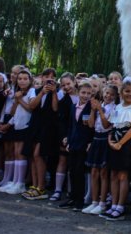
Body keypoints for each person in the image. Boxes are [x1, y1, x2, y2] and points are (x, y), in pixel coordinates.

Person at [103, 79, 131, 221]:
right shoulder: (117, 108)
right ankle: (113, 204)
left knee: (123, 176)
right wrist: (111, 140)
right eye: (127, 91)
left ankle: (120, 206)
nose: (129, 94)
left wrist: (120, 143)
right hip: (114, 143)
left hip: (127, 145)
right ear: (121, 92)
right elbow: (113, 126)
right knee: (113, 174)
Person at [22, 68, 59, 200]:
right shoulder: (35, 90)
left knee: (39, 155)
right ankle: (35, 185)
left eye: (52, 77)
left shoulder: (57, 92)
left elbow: (55, 108)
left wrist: (53, 93)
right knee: (33, 155)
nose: (49, 79)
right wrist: (42, 93)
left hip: (47, 127)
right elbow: (32, 106)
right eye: (47, 76)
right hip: (35, 125)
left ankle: (41, 187)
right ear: (41, 78)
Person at [0, 69, 35, 194]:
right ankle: (14, 181)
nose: (22, 81)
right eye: (20, 79)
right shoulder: (18, 92)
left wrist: (20, 100)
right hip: (17, 125)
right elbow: (13, 112)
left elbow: (31, 108)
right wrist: (16, 100)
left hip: (26, 126)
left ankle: (20, 183)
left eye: (25, 79)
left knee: (21, 154)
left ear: (30, 80)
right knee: (15, 153)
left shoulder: (31, 91)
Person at [82, 85, 117, 215]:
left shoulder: (114, 108)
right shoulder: (98, 105)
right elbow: (91, 124)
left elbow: (106, 124)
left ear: (115, 96)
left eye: (112, 94)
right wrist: (93, 110)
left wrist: (100, 111)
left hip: (105, 139)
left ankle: (102, 203)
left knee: (103, 173)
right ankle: (94, 201)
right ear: (103, 93)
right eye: (107, 93)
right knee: (94, 172)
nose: (108, 96)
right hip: (96, 138)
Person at [59, 81, 94, 211]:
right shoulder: (73, 106)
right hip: (73, 142)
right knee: (72, 171)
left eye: (89, 93)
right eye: (83, 93)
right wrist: (67, 139)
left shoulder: (91, 108)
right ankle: (72, 197)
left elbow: (92, 128)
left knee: (79, 172)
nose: (85, 96)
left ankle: (79, 200)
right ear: (78, 92)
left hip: (84, 144)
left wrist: (90, 142)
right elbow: (71, 125)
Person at [51, 72, 78, 201]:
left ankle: (71, 190)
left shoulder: (84, 96)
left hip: (79, 134)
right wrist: (64, 136)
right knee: (62, 160)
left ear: (74, 82)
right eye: (63, 85)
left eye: (68, 83)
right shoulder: (64, 99)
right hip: (65, 134)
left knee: (73, 163)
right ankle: (57, 189)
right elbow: (58, 113)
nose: (67, 87)